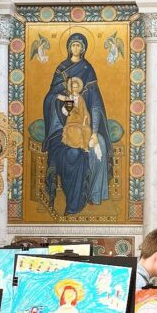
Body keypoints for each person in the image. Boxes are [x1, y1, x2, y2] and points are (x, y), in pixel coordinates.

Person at [42, 34, 113, 216]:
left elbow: (95, 104)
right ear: (68, 47)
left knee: (100, 145)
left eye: (78, 45)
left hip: (84, 126)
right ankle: (73, 201)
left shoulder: (88, 70)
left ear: (83, 48)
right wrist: (60, 98)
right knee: (72, 155)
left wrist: (94, 132)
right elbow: (51, 98)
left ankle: (94, 194)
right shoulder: (61, 70)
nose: (75, 48)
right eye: (73, 45)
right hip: (61, 127)